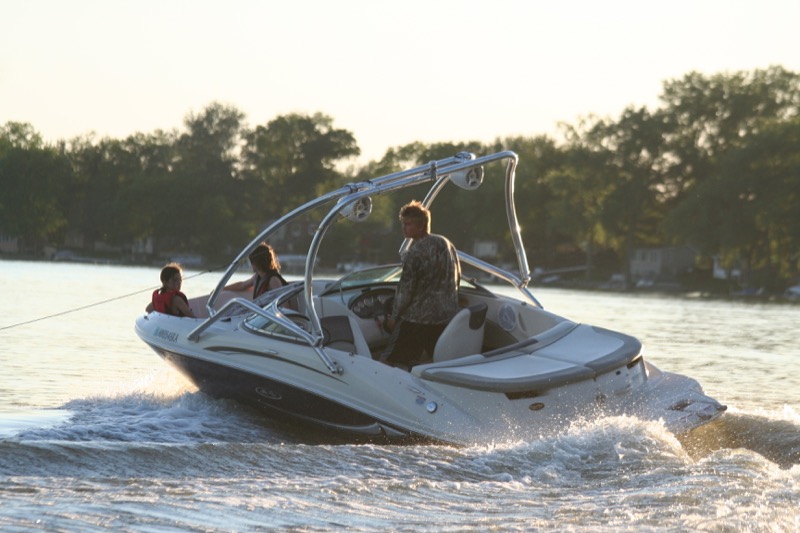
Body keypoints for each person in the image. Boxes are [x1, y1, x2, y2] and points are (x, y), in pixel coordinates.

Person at [381, 200, 460, 368]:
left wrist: (393, 318)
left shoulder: (413, 254)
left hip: (418, 320)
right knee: (435, 361)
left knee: (387, 362)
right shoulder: (445, 243)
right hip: (445, 316)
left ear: (422, 225)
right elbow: (457, 275)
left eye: (408, 224)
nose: (404, 228)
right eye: (403, 224)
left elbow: (405, 292)